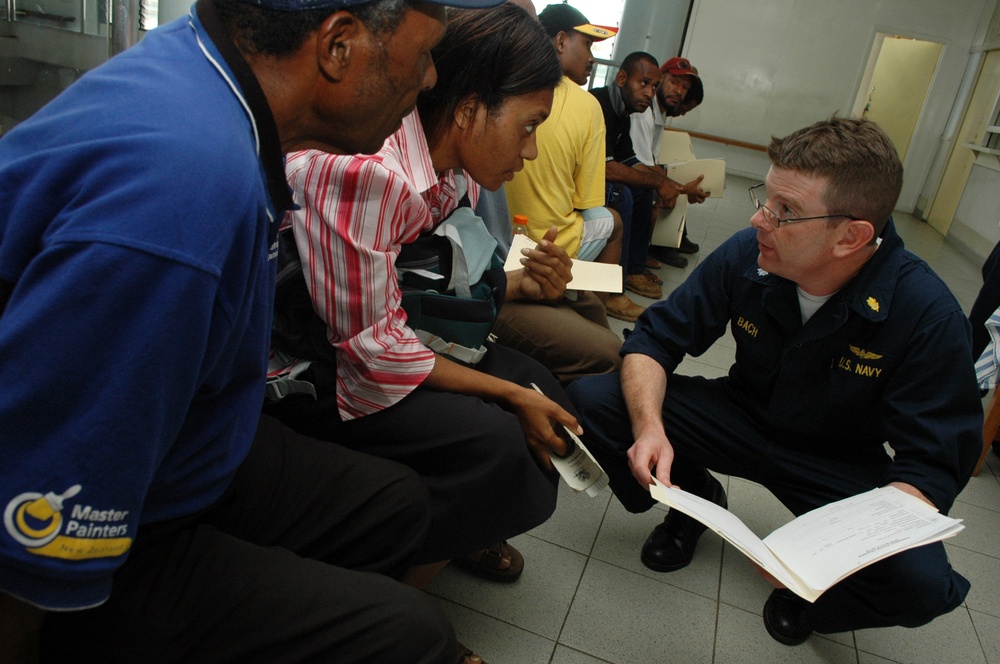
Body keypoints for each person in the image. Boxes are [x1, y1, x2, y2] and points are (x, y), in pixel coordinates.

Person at [0, 0, 504, 661]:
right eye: (422, 56)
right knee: (412, 637)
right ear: (339, 46)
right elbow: (45, 507)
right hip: (116, 518)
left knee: (397, 506)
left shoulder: (211, 74)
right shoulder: (182, 194)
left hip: (187, 440)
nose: (433, 79)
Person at [568, 117, 982, 646]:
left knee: (921, 585)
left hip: (835, 460)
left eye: (786, 212)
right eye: (765, 198)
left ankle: (814, 595)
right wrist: (650, 427)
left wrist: (829, 550)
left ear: (851, 236)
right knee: (597, 400)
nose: (759, 218)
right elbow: (655, 341)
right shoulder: (750, 253)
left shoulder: (926, 314)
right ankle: (695, 500)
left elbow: (933, 466)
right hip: (740, 415)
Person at [265, 3, 579, 591]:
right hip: (312, 369)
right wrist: (507, 396)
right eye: (529, 125)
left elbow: (417, 285)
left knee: (543, 389)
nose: (530, 150)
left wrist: (521, 283)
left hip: (367, 336)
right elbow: (373, 354)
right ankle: (390, 599)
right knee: (501, 443)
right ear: (467, 110)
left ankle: (460, 528)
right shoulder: (373, 173)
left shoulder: (446, 172)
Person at [489, 3, 627, 366]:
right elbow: (586, 200)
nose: (593, 58)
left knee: (596, 327)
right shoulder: (583, 104)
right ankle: (608, 299)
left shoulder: (508, 91)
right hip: (542, 247)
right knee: (613, 218)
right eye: (588, 45)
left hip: (508, 254)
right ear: (561, 41)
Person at [591, 52, 706, 302]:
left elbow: (631, 160)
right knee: (627, 196)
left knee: (642, 191)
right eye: (644, 84)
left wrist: (671, 186)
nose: (649, 93)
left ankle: (632, 270)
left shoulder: (624, 111)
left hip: (596, 177)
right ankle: (613, 291)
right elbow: (608, 168)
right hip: (580, 183)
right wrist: (661, 184)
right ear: (622, 78)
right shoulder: (600, 105)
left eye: (653, 87)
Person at [630, 56, 705, 265]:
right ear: (660, 79)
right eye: (674, 82)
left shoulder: (659, 114)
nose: (679, 91)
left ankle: (644, 253)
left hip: (635, 167)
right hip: (623, 170)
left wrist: (679, 186)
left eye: (684, 87)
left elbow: (651, 160)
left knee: (666, 188)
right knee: (656, 194)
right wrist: (681, 188)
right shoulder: (644, 112)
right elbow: (642, 166)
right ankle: (638, 260)